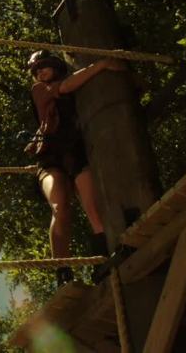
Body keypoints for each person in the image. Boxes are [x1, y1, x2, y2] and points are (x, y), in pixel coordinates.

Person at [26, 50, 125, 285]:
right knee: (60, 206)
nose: (40, 72)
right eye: (36, 70)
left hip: (76, 153)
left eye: (44, 66)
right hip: (51, 158)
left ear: (55, 65)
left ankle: (102, 260)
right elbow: (65, 87)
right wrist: (102, 64)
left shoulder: (82, 90)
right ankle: (62, 271)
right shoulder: (39, 89)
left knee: (94, 208)